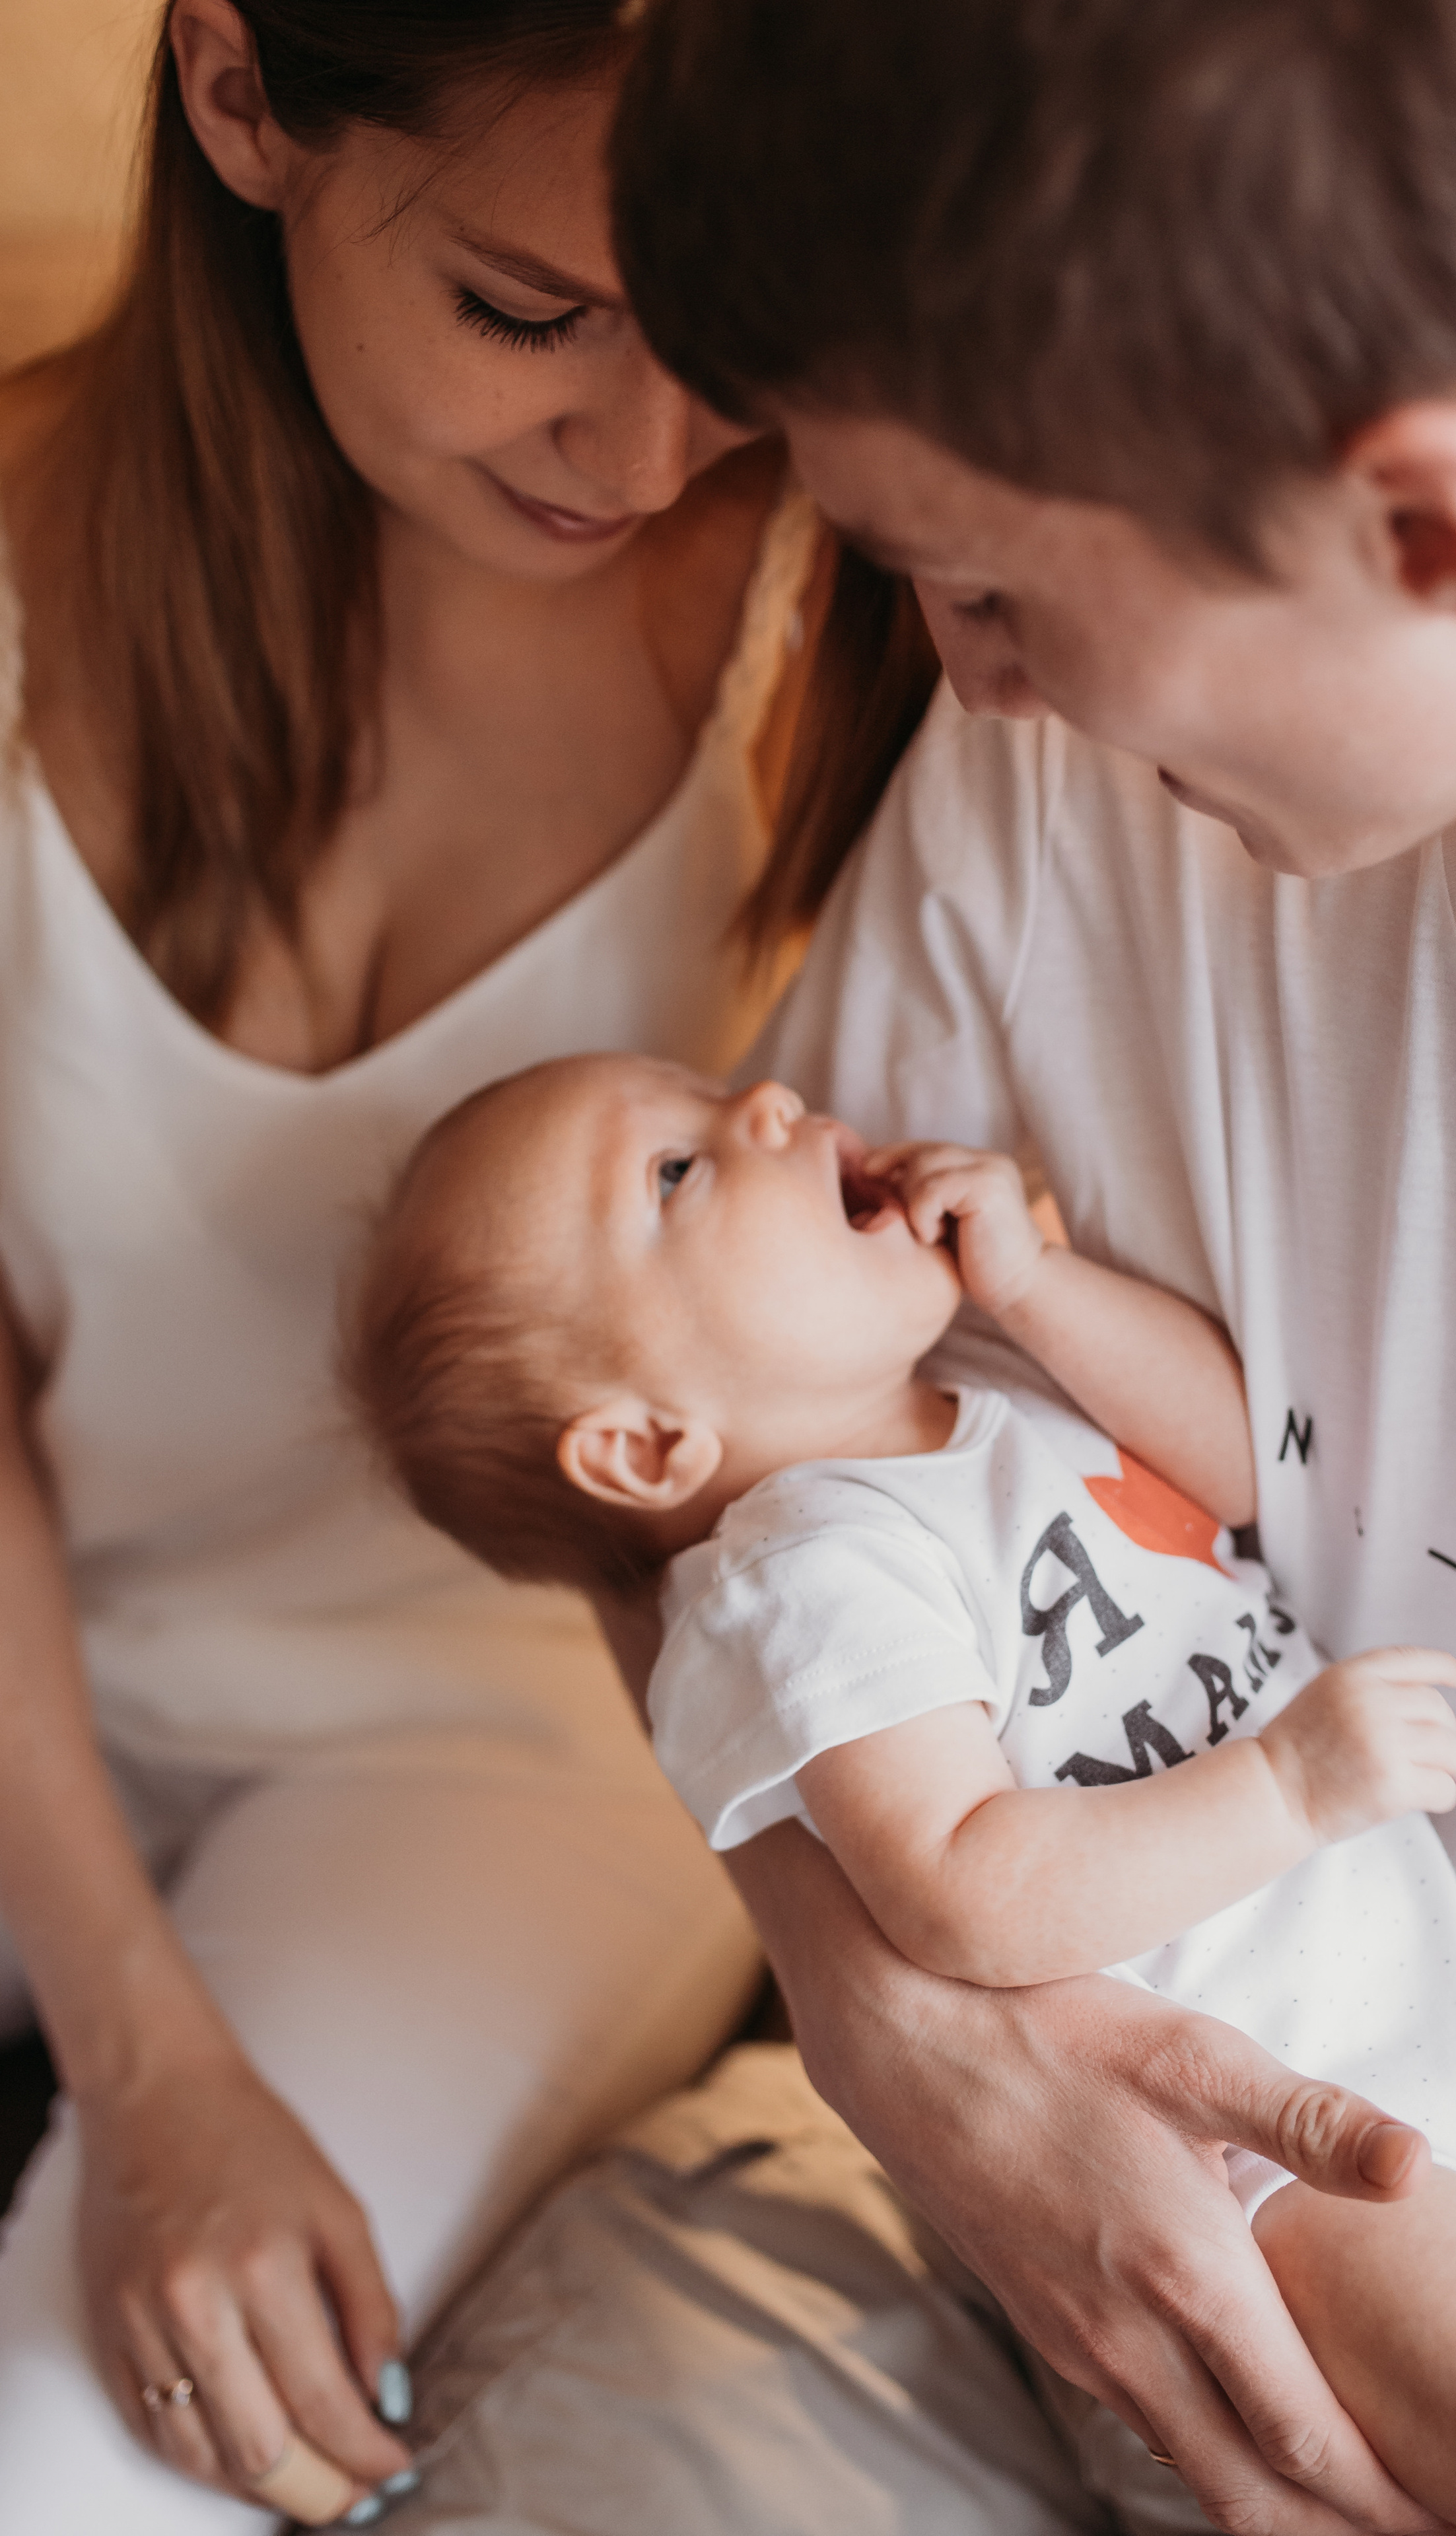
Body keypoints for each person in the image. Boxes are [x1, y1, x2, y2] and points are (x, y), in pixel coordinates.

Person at [596, 2, 1456, 2528]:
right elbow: (709, 1491)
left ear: (1439, 538)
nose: (968, 680)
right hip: (1202, 2231)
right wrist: (906, 2023)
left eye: (989, 588)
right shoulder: (1065, 804)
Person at [0, 0, 935, 2526]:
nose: (646, 451)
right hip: (40, 1637)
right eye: (531, 314)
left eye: (723, 332)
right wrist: (138, 2052)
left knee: (83, 2460)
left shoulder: (854, 620)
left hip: (511, 1727)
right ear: (240, 95)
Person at [345, 1047, 1456, 2535]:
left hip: (1453, 1962)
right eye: (676, 1169)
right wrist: (1286, 1785)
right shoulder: (794, 1580)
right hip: (1283, 2144)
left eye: (712, 1091)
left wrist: (1037, 1284)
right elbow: (969, 1891)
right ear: (647, 1443)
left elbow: (1246, 1468)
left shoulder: (982, 1375)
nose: (766, 1106)